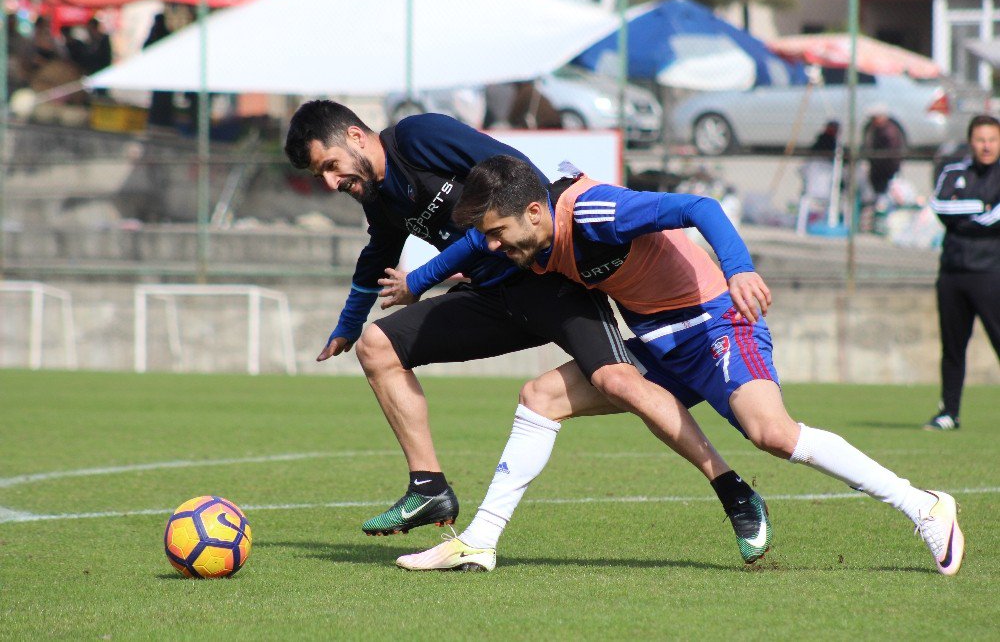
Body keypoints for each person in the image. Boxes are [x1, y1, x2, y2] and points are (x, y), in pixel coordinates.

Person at [392, 155, 964, 575]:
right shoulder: (522, 231)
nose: (491, 246)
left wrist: (738, 267)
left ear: (536, 211)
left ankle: (924, 506)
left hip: (714, 322)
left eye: (498, 233)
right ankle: (481, 542)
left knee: (772, 433)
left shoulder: (595, 212)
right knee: (540, 396)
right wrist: (418, 282)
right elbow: (470, 247)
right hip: (656, 342)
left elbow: (699, 207)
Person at [284, 101, 772, 562]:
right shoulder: (379, 195)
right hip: (488, 301)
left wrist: (425, 277)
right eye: (319, 175)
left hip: (549, 283)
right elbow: (377, 253)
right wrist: (349, 324)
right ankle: (429, 488)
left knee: (619, 383)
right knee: (378, 346)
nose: (330, 182)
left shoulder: (419, 136)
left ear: (354, 136)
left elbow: (517, 185)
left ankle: (733, 491)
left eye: (330, 165)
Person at [925, 114, 1000, 431]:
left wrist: (968, 212)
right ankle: (948, 413)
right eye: (981, 139)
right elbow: (940, 206)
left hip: (990, 272)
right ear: (971, 142)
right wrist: (979, 208)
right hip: (952, 272)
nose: (986, 146)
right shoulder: (953, 171)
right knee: (952, 348)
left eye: (992, 140)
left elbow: (994, 218)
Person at [864, 104, 903, 233]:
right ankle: (876, 224)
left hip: (887, 170)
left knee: (885, 199)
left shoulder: (889, 131)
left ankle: (883, 225)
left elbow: (891, 154)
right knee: (877, 198)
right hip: (877, 169)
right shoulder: (872, 129)